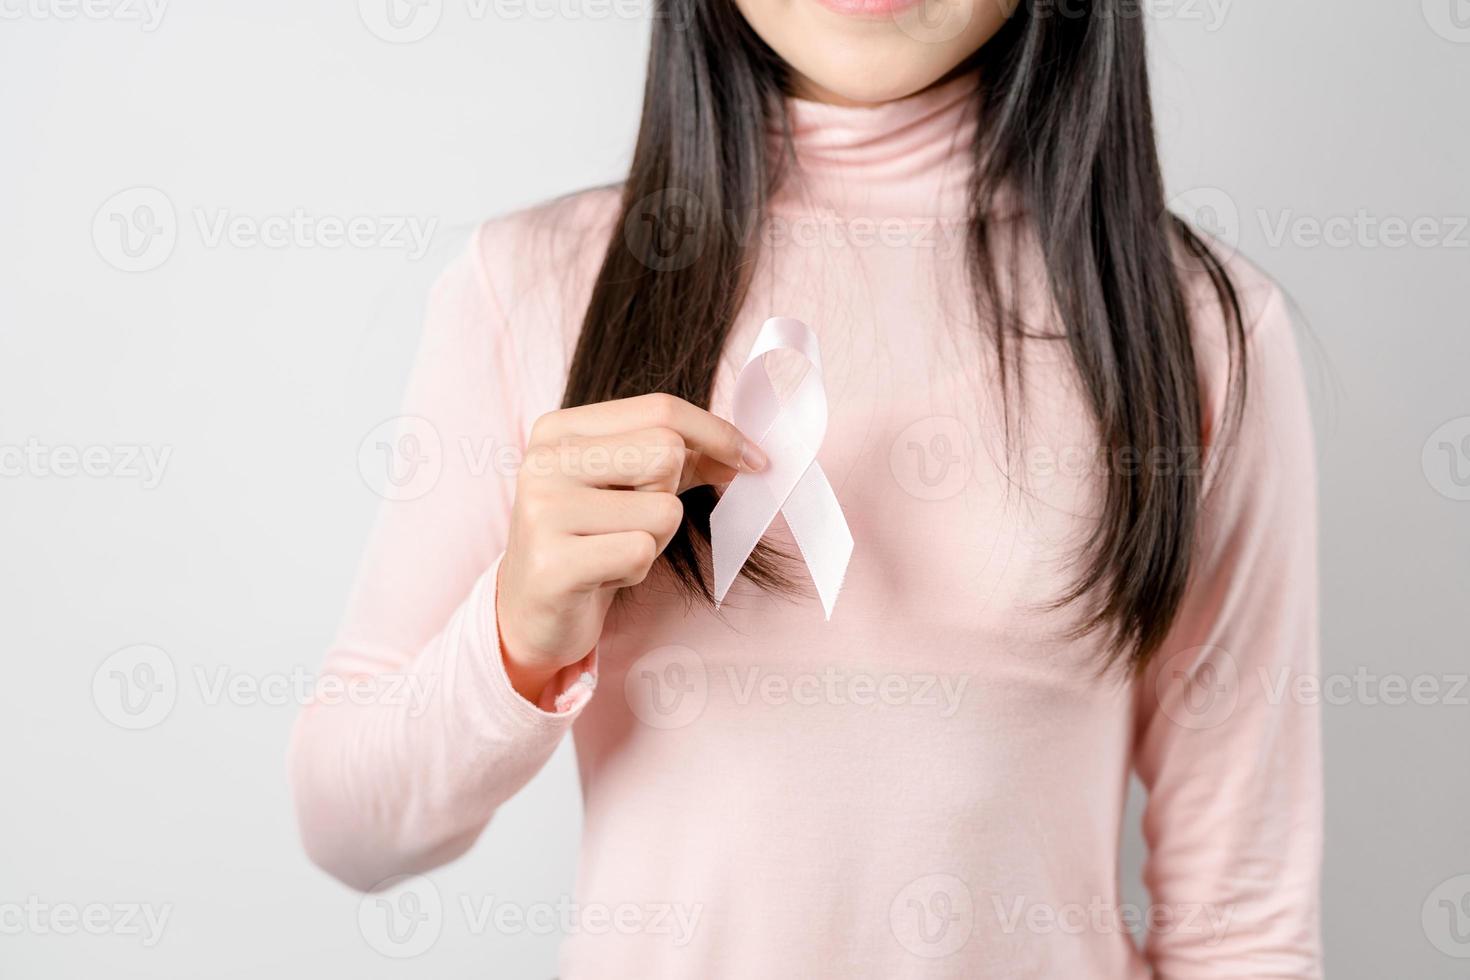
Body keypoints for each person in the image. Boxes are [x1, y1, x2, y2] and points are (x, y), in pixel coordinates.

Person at [290, 0, 1322, 974]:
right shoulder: (534, 287)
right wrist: (515, 633)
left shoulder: (1191, 332)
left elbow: (1246, 921)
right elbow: (350, 830)